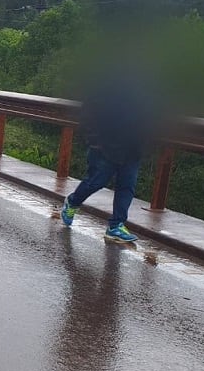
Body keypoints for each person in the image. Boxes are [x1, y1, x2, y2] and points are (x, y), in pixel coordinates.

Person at [60, 67, 156, 243]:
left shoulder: (146, 91)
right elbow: (87, 113)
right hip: (106, 147)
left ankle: (116, 226)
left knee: (127, 187)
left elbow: (149, 119)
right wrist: (94, 140)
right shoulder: (106, 86)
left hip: (132, 149)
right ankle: (73, 202)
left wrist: (146, 144)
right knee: (95, 182)